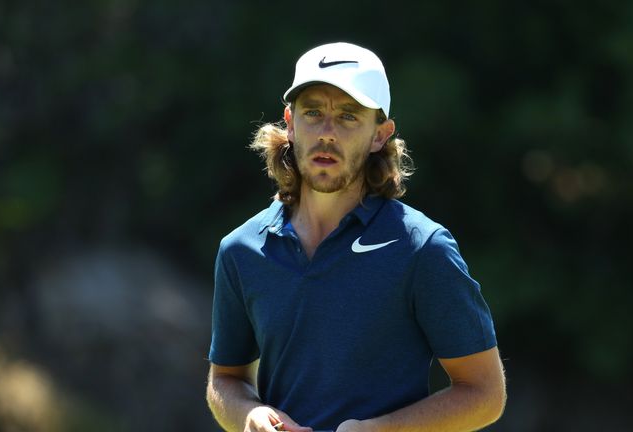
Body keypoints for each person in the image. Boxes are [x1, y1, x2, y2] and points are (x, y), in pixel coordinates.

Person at [206, 42, 506, 432]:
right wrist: (250, 416)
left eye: (348, 116)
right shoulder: (241, 250)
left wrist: (377, 431)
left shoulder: (423, 248)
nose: (327, 133)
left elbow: (485, 394)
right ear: (291, 123)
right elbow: (226, 379)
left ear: (380, 134)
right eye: (313, 112)